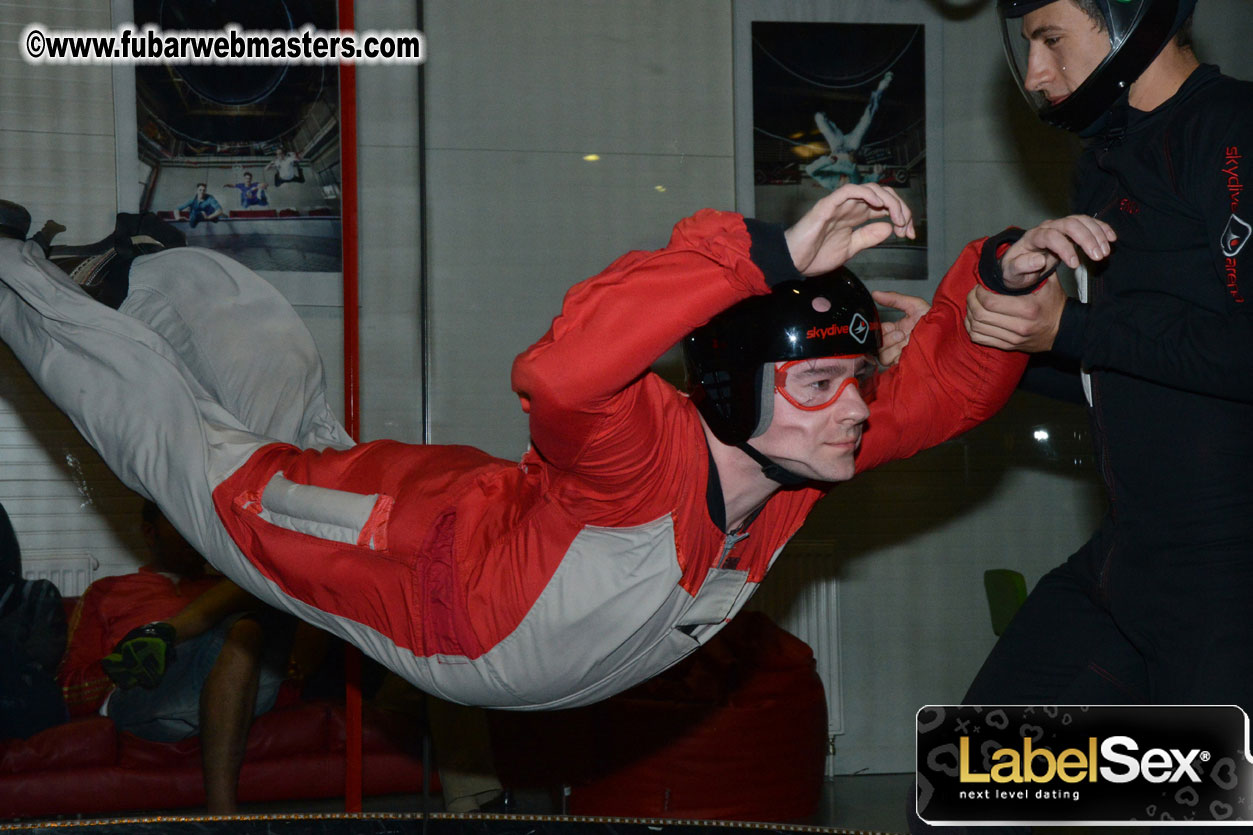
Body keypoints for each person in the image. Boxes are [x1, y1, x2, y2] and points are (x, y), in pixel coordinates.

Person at [0, 183, 1028, 711]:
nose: (852, 408)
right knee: (178, 445)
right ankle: (22, 272)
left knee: (286, 416)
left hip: (470, 527)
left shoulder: (791, 458)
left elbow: (934, 400)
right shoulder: (647, 458)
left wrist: (998, 285)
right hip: (425, 578)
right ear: (731, 393)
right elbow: (561, 371)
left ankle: (131, 279)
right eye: (819, 382)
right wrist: (762, 253)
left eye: (852, 383)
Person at [912, 0, 1251, 829]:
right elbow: (1119, 375)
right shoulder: (1102, 165)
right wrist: (968, 342)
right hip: (1131, 561)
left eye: (1049, 39)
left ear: (1132, 17)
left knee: (1209, 815)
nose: (1031, 72)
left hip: (1228, 580)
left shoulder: (1231, 127)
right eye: (1026, 45)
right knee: (965, 790)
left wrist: (1072, 326)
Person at [58, 500, 292, 814]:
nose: (193, 535)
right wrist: (123, 667)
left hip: (236, 687)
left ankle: (222, 813)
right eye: (181, 524)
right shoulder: (108, 591)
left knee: (250, 626)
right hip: (144, 698)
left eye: (199, 526)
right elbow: (66, 691)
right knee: (240, 633)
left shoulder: (228, 589)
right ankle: (223, 812)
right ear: (149, 533)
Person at [804, 71, 893, 189]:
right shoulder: (855, 184)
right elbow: (868, 180)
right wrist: (878, 173)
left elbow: (809, 170)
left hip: (836, 147)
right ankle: (882, 87)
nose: (846, 181)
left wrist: (829, 160)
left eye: (843, 183)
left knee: (819, 118)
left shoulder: (828, 182)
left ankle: (821, 105)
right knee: (867, 120)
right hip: (852, 147)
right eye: (848, 183)